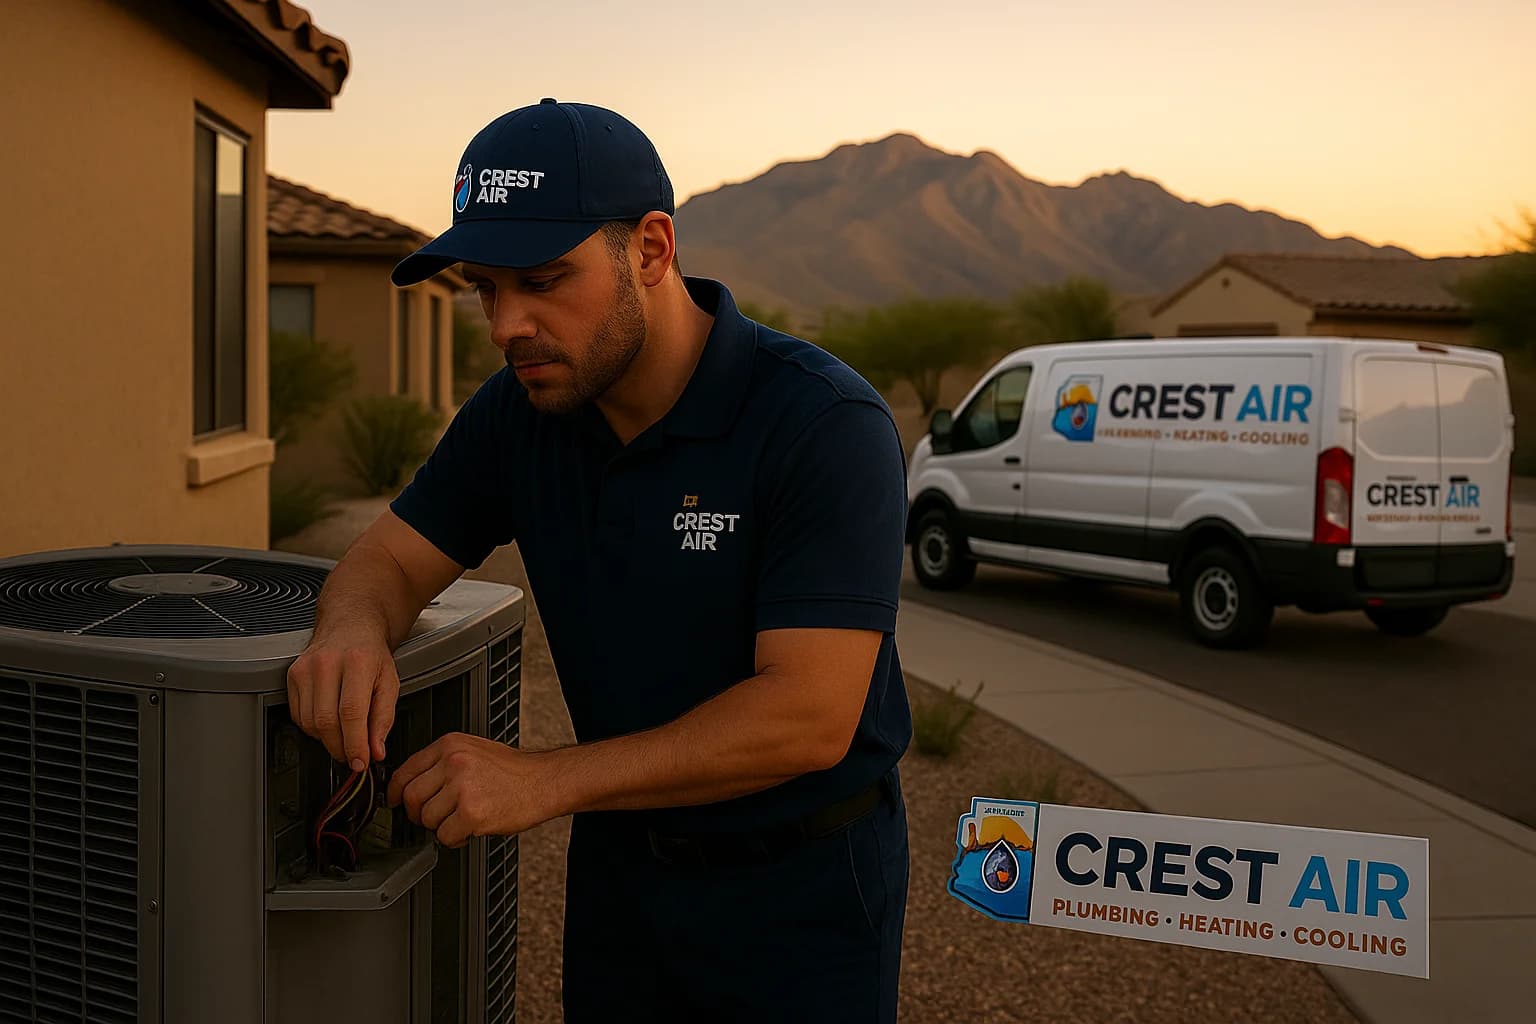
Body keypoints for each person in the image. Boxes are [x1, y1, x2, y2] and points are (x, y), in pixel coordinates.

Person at [285, 98, 913, 1021]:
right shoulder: (520, 411)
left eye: (542, 279)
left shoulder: (822, 423)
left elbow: (809, 716)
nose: (505, 325)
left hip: (802, 895)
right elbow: (385, 559)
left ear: (652, 250)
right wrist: (349, 634)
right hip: (622, 882)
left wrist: (541, 779)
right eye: (486, 289)